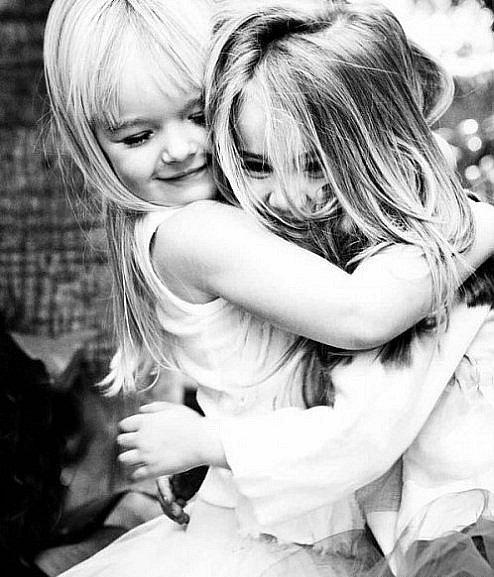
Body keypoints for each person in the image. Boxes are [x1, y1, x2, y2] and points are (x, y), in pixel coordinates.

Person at [43, 0, 494, 575]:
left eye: (198, 114)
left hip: (310, 499)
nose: (179, 148)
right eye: (137, 135)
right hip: (296, 529)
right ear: (90, 146)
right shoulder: (195, 231)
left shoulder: (255, 208)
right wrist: (474, 223)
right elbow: (360, 315)